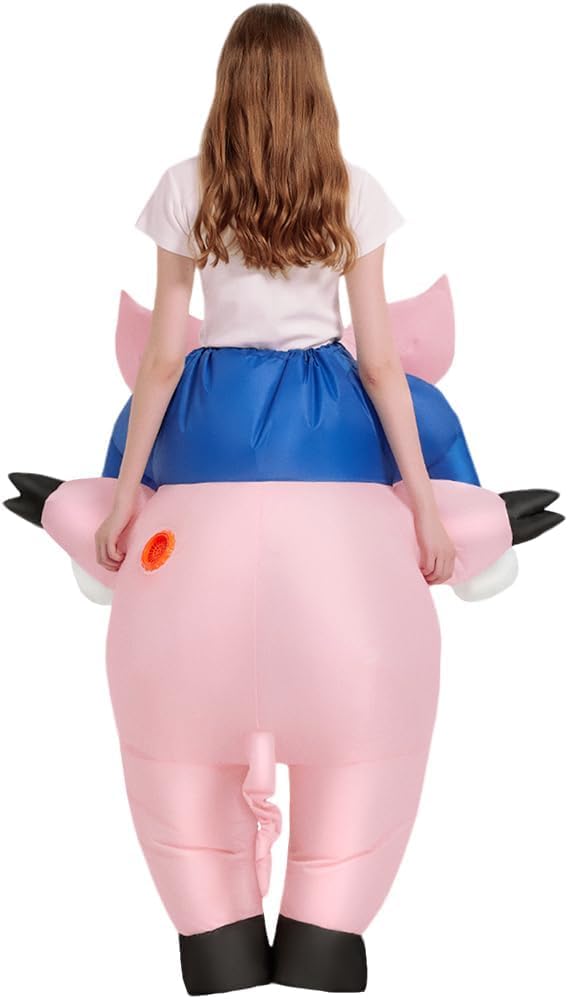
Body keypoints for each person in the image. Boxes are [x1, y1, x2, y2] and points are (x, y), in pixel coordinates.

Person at [94, 3, 457, 994]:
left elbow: (162, 357)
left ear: (231, 86)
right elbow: (378, 362)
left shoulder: (186, 188)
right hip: (322, 411)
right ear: (312, 89)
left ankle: (214, 943)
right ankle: (320, 940)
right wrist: (425, 505)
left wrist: (125, 493)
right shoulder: (349, 190)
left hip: (212, 409)